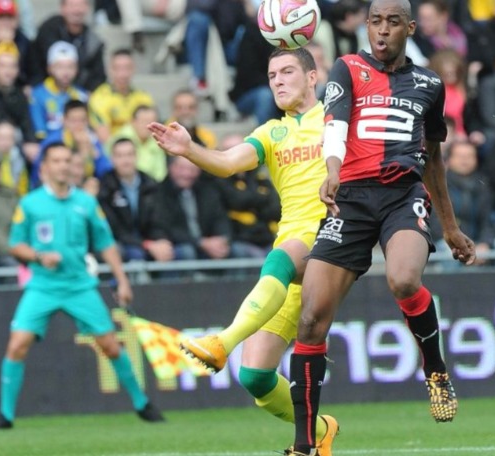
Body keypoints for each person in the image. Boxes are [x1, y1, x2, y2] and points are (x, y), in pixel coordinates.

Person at [287, 0, 475, 453]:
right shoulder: (348, 68)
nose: (383, 30)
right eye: (375, 21)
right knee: (310, 320)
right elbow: (335, 122)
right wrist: (333, 169)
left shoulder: (429, 84)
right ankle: (304, 446)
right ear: (367, 26)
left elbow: (434, 159)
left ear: (410, 28)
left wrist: (450, 227)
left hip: (402, 195)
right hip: (349, 199)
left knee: (404, 278)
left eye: (393, 22)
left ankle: (434, 369)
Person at [148, 47, 339, 456]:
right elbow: (227, 162)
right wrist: (189, 149)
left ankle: (223, 341)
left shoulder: (337, 119)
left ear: (312, 77)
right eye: (272, 76)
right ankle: (322, 430)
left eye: (287, 72)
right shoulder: (271, 132)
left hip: (330, 236)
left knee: (279, 257)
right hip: (292, 246)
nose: (278, 81)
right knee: (254, 375)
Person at [0, 142, 164, 430]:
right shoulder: (30, 203)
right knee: (17, 345)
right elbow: (15, 245)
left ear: (72, 166)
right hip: (42, 286)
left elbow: (105, 243)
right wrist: (38, 256)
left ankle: (141, 403)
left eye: (66, 161)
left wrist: (121, 280)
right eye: (56, 161)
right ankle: (5, 415)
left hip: (79, 286)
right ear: (44, 168)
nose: (62, 166)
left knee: (110, 346)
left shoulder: (86, 203)